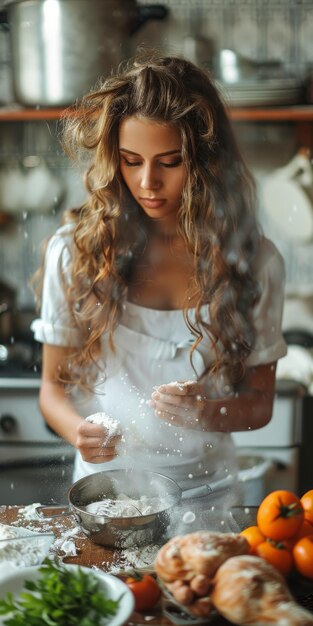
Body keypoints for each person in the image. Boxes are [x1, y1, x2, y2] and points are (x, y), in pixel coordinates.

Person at [31, 52, 287, 503]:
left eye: (169, 162)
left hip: (208, 495)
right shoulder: (76, 252)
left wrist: (204, 413)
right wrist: (79, 432)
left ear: (206, 163)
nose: (148, 182)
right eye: (131, 160)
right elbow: (52, 390)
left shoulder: (255, 263)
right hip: (105, 497)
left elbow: (260, 404)